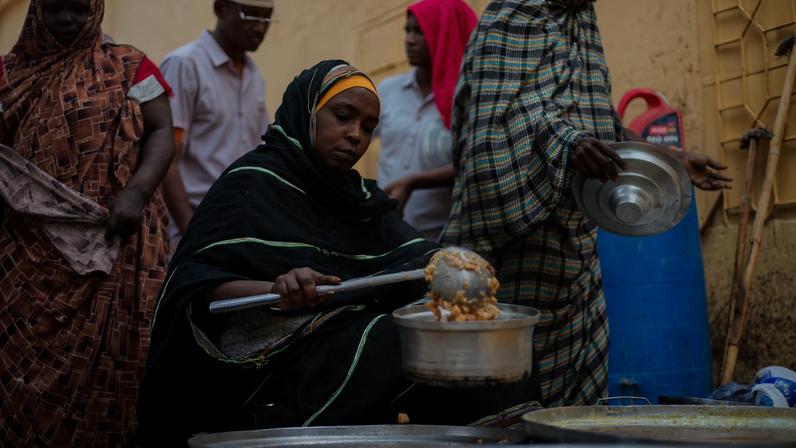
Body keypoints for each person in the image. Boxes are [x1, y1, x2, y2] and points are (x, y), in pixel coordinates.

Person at [137, 61, 535, 446]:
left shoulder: (358, 197)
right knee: (398, 344)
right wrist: (277, 287)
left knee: (472, 332)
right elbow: (197, 286)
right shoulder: (252, 184)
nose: (355, 135)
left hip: (339, 333)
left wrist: (458, 270)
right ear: (307, 112)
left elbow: (417, 256)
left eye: (367, 127)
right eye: (343, 116)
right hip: (270, 357)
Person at [442, 0, 731, 408]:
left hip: (577, 251)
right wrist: (565, 144)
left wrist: (672, 162)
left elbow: (595, 121)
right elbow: (493, 124)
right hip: (515, 251)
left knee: (579, 405)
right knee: (505, 396)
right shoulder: (510, 17)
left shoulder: (582, 21)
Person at [0, 0, 174, 446]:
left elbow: (160, 132)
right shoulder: (6, 75)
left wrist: (136, 192)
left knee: (117, 370)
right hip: (25, 259)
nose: (67, 20)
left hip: (116, 243)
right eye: (55, 10)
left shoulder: (131, 67)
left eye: (78, 10)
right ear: (36, 12)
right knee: (17, 369)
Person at [160, 0, 272, 252]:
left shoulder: (255, 77)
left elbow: (262, 155)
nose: (260, 28)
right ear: (220, 9)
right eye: (251, 15)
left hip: (241, 230)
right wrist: (192, 233)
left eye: (267, 18)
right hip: (192, 229)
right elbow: (166, 158)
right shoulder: (184, 64)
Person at [376, 0, 476, 240]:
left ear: (445, 34)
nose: (409, 40)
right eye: (407, 30)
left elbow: (473, 160)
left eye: (420, 32)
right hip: (385, 233)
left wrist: (414, 181)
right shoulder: (388, 90)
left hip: (442, 238)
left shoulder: (467, 98)